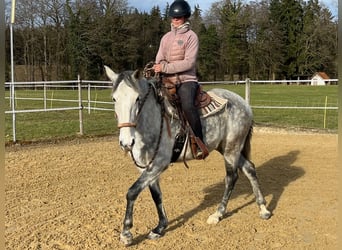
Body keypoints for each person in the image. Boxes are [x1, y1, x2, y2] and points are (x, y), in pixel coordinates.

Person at [153, 0, 207, 159]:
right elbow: (159, 58)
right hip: (166, 79)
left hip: (186, 79)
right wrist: (159, 67)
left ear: (185, 17)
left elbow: (189, 62)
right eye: (173, 17)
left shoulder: (191, 37)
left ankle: (199, 140)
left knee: (188, 106)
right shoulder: (166, 38)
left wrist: (165, 68)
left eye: (179, 17)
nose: (175, 19)